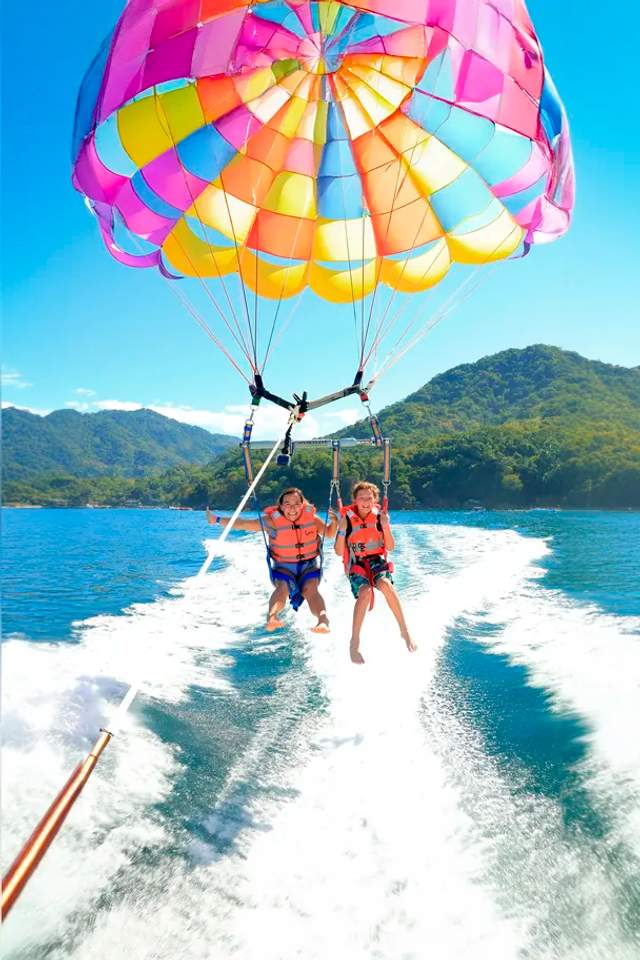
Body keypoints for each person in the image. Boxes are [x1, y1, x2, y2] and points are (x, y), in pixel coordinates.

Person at [207, 487, 338, 633]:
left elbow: (330, 533)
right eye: (287, 504)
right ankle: (272, 617)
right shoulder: (271, 522)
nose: (292, 508)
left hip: (309, 566)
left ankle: (323, 620)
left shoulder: (312, 519)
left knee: (311, 589)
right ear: (281, 506)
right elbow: (243, 524)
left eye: (296, 503)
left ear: (302, 505)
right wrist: (217, 519)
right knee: (283, 587)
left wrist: (334, 522)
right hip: (283, 568)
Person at [335, 481, 416, 665]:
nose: (365, 501)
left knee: (386, 585)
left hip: (377, 561)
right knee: (365, 592)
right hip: (357, 564)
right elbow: (339, 552)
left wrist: (386, 526)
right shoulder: (346, 519)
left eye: (369, 498)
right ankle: (354, 642)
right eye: (361, 498)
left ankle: (404, 630)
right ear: (355, 500)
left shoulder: (380, 517)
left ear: (375, 500)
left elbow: (390, 547)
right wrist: (341, 531)